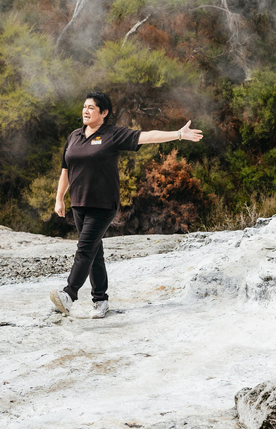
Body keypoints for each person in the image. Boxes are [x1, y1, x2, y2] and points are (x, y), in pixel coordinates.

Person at [50, 91, 203, 319]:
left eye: (91, 108)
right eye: (84, 107)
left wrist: (179, 134)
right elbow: (65, 170)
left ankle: (68, 295)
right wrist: (59, 197)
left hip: (103, 204)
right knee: (94, 252)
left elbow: (147, 136)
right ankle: (100, 300)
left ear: (104, 113)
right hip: (79, 203)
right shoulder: (74, 136)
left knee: (84, 249)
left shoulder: (112, 135)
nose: (85, 110)